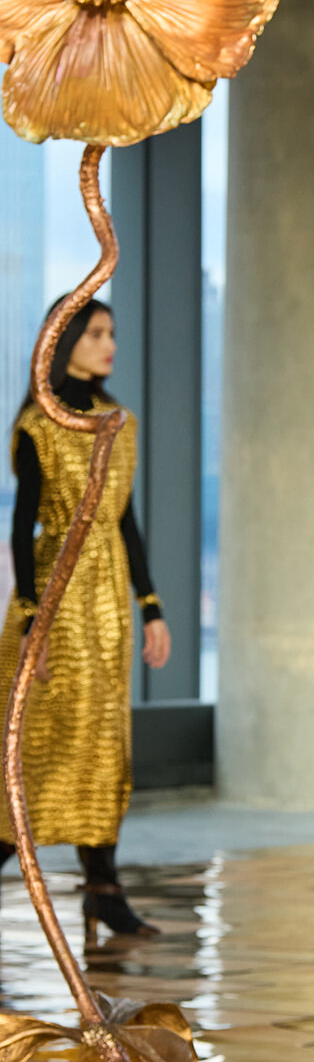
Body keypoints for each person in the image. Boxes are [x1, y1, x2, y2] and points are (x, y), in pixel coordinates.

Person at [0, 298, 171, 938]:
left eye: (113, 333)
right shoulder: (40, 425)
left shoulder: (116, 422)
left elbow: (126, 520)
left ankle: (103, 886)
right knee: (38, 750)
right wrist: (29, 623)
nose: (110, 345)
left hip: (109, 608)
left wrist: (151, 606)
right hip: (56, 601)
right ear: (64, 338)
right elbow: (22, 528)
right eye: (97, 333)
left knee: (103, 746)